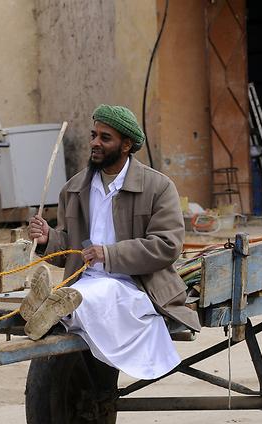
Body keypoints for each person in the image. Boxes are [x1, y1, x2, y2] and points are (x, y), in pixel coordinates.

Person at [25, 104, 200, 380]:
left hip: (135, 286)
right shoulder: (73, 189)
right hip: (84, 280)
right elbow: (69, 250)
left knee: (95, 294)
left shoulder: (159, 187)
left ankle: (51, 308)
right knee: (83, 293)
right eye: (93, 135)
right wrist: (49, 239)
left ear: (126, 145)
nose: (95, 143)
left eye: (105, 138)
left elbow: (167, 246)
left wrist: (109, 254)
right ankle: (49, 307)